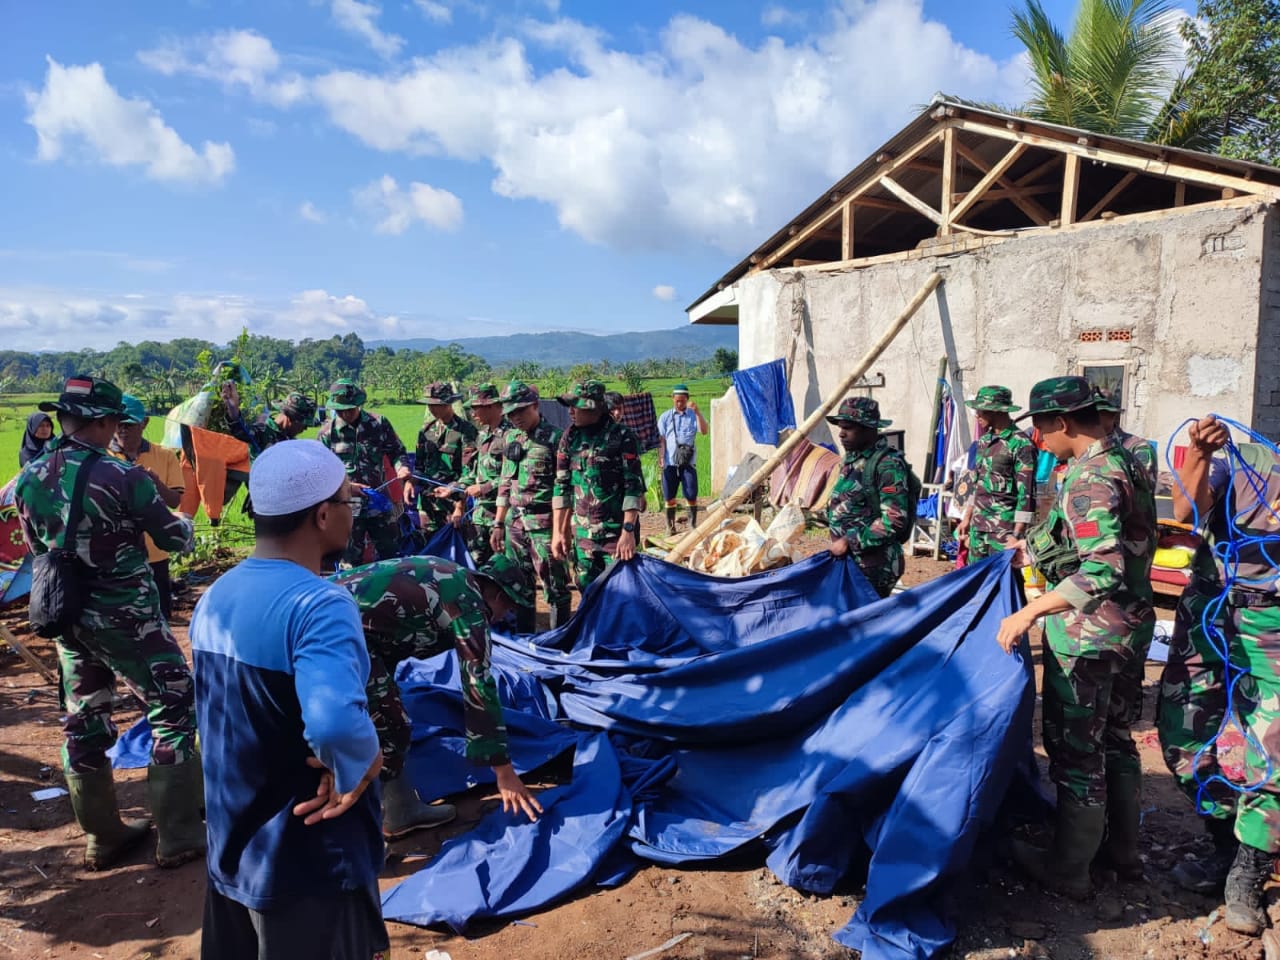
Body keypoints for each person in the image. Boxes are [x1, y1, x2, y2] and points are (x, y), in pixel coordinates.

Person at [191, 439, 388, 960]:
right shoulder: (318, 603)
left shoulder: (215, 595)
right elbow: (334, 727)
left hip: (235, 851)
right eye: (349, 502)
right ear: (323, 515)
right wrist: (360, 768)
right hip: (308, 862)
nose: (352, 513)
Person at [15, 376, 203, 871]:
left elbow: (38, 552)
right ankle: (180, 836)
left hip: (68, 619)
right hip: (128, 619)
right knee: (174, 705)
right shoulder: (123, 477)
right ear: (101, 422)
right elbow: (176, 539)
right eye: (115, 422)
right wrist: (185, 521)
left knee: (84, 718)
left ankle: (102, 838)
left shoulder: (29, 477)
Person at [994, 376, 1156, 900]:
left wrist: (1029, 614)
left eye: (1040, 426)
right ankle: (1122, 855)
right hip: (1130, 627)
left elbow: (1101, 568)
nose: (1037, 438)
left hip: (1088, 637)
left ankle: (1068, 871)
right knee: (1117, 739)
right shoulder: (1125, 458)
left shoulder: (1090, 477)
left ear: (1061, 423)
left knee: (1077, 754)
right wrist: (1033, 550)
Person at [1158, 415, 1280, 936]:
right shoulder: (1249, 462)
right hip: (1210, 607)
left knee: (1273, 748)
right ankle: (1223, 844)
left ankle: (1248, 873)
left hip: (1273, 625)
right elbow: (1186, 511)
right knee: (1180, 729)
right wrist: (1198, 453)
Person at [332, 553, 544, 838]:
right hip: (333, 631)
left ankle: (400, 806)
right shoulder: (468, 606)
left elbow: (388, 628)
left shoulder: (450, 573)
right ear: (496, 593)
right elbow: (478, 684)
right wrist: (503, 771)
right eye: (508, 606)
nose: (505, 616)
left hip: (326, 614)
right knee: (389, 726)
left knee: (383, 707)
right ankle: (365, 823)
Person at [491, 380, 570, 633]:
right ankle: (525, 640)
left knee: (555, 588)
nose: (515, 418)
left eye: (520, 411)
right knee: (520, 587)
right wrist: (498, 523)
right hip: (515, 525)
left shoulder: (556, 439)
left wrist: (561, 531)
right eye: (510, 413)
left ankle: (559, 643)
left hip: (544, 525)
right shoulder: (511, 438)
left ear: (535, 406)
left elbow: (564, 489)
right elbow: (505, 481)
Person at [552, 379, 645, 593]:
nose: (571, 412)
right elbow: (561, 486)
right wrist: (559, 532)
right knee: (588, 595)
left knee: (621, 597)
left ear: (594, 408)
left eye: (577, 407)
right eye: (570, 406)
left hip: (616, 538)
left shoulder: (622, 437)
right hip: (583, 538)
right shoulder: (570, 437)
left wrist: (628, 531)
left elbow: (633, 487)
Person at [317, 378, 412, 566]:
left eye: (351, 409)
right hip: (347, 504)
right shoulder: (327, 434)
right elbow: (321, 471)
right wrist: (348, 486)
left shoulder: (378, 424)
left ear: (359, 405)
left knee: (391, 553)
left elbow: (397, 451)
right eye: (341, 410)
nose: (346, 413)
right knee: (350, 558)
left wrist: (402, 467)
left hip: (378, 499)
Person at [824, 397, 911, 598]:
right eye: (840, 427)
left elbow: (894, 520)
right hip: (852, 561)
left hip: (874, 566)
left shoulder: (887, 464)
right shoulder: (853, 459)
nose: (841, 434)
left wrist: (849, 540)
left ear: (868, 429)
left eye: (848, 428)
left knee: (866, 622)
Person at [111, 394, 187, 619]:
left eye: (129, 425)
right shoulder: (103, 457)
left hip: (155, 553)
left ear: (144, 423)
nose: (122, 430)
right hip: (117, 556)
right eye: (119, 424)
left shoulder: (163, 456)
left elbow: (175, 500)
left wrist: (154, 482)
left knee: (161, 615)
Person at [956, 385, 1037, 564]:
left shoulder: (1021, 444)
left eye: (981, 410)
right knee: (976, 583)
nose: (977, 414)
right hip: (978, 529)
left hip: (1004, 532)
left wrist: (1017, 534)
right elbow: (977, 484)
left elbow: (1027, 494)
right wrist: (967, 518)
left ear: (996, 411)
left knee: (1004, 583)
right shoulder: (983, 442)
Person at [449, 383, 508, 566]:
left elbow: (514, 479)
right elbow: (473, 473)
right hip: (480, 518)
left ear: (490, 406)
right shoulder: (482, 436)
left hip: (503, 518)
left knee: (506, 572)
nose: (473, 414)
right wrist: (453, 489)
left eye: (476, 409)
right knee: (477, 569)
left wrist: (484, 488)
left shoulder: (511, 436)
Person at [411, 381, 477, 540]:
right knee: (428, 550)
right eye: (429, 405)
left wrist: (460, 507)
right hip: (427, 503)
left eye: (436, 405)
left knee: (454, 549)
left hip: (453, 504)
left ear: (448, 404)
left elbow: (469, 473)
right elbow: (419, 466)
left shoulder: (466, 431)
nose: (431, 409)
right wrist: (410, 481)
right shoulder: (426, 431)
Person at [657, 384, 708, 535]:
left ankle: (692, 525)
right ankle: (670, 527)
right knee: (669, 496)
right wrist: (661, 457)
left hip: (688, 462)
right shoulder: (665, 417)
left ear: (687, 400)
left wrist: (697, 412)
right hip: (669, 462)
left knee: (691, 494)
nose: (679, 404)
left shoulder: (693, 415)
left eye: (683, 401)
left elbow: (704, 431)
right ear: (672, 399)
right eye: (677, 401)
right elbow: (661, 439)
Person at [221, 382, 317, 455]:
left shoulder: (290, 441)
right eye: (304, 425)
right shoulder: (263, 432)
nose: (305, 429)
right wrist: (233, 409)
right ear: (291, 419)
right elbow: (242, 431)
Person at [1094, 387, 1158, 487]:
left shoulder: (1138, 448)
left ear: (1114, 416)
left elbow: (1142, 488)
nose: (1093, 420)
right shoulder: (1085, 447)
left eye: (1100, 414)